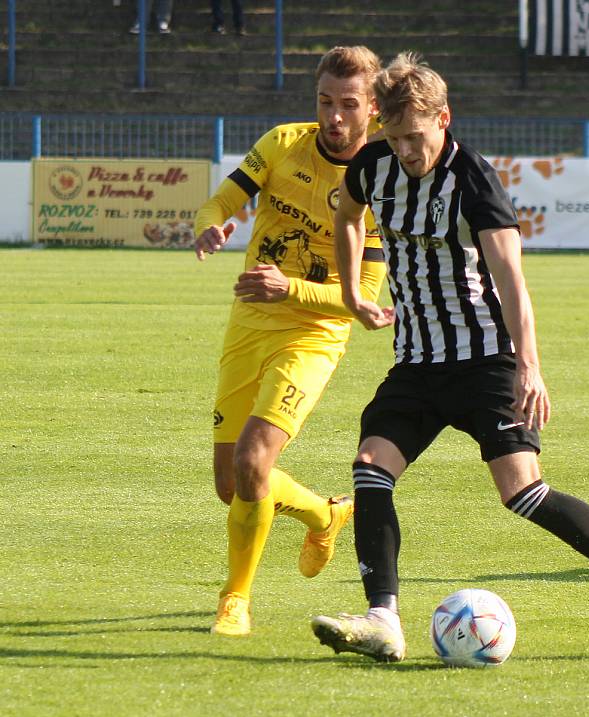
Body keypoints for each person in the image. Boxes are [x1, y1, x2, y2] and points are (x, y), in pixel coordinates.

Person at [310, 52, 589, 663]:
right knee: (370, 467)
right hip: (417, 362)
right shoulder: (373, 166)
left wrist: (529, 366)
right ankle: (383, 619)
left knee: (521, 493)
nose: (407, 149)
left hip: (487, 357)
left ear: (444, 119)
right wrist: (355, 291)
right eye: (395, 136)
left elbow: (511, 279)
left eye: (417, 136)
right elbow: (349, 216)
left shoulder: (473, 180)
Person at [193, 45, 385, 637]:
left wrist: (290, 289)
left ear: (373, 109)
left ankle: (235, 599)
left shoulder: (380, 177)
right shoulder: (282, 143)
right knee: (233, 486)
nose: (334, 116)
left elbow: (366, 297)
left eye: (348, 105)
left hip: (312, 336)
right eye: (325, 101)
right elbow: (225, 197)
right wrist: (211, 222)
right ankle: (323, 512)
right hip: (249, 323)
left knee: (255, 461)